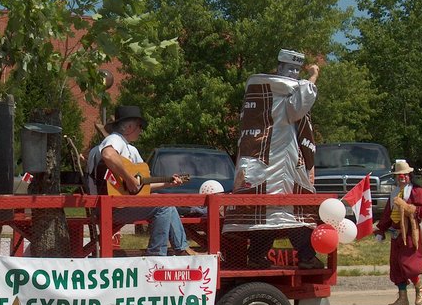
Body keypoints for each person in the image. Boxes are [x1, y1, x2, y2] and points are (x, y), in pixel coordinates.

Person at [223, 48, 323, 270]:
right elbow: (300, 105)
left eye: (298, 69)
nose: (294, 73)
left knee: (270, 215)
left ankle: (259, 256)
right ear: (279, 68)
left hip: (263, 163)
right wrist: (313, 76)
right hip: (277, 163)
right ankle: (305, 257)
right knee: (289, 212)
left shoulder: (261, 93)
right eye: (290, 68)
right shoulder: (281, 92)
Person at [88, 105, 197, 256]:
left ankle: (181, 248)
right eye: (140, 126)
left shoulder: (128, 149)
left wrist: (167, 182)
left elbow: (140, 186)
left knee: (166, 203)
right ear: (130, 126)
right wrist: (128, 178)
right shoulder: (115, 139)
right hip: (109, 208)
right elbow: (108, 155)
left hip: (114, 205)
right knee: (164, 206)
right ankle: (156, 254)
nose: (141, 130)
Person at [374, 159, 422, 305]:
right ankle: (402, 298)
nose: (401, 177)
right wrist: (381, 229)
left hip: (410, 233)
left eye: (404, 174)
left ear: (409, 175)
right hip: (396, 234)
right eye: (399, 175)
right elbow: (387, 214)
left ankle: (419, 287)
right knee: (396, 265)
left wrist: (410, 208)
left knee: (408, 263)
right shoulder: (393, 194)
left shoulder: (417, 192)